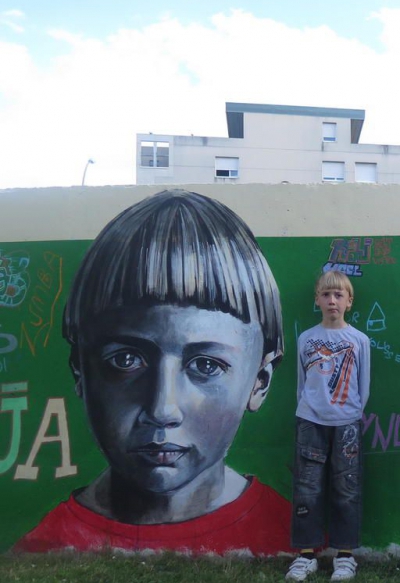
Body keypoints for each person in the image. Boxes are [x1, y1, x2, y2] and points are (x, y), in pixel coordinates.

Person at [15, 190, 290, 554]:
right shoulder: (44, 550)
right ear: (80, 371)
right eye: (126, 361)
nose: (162, 410)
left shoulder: (289, 538)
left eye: (206, 366)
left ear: (260, 382)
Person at [285, 270, 371, 582]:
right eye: (326, 294)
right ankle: (306, 555)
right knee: (307, 489)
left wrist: (350, 413)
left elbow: (364, 386)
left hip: (347, 424)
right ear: (317, 300)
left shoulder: (360, 340)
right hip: (310, 422)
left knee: (346, 490)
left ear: (349, 301)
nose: (332, 300)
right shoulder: (306, 339)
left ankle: (345, 555)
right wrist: (310, 410)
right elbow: (301, 383)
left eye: (339, 295)